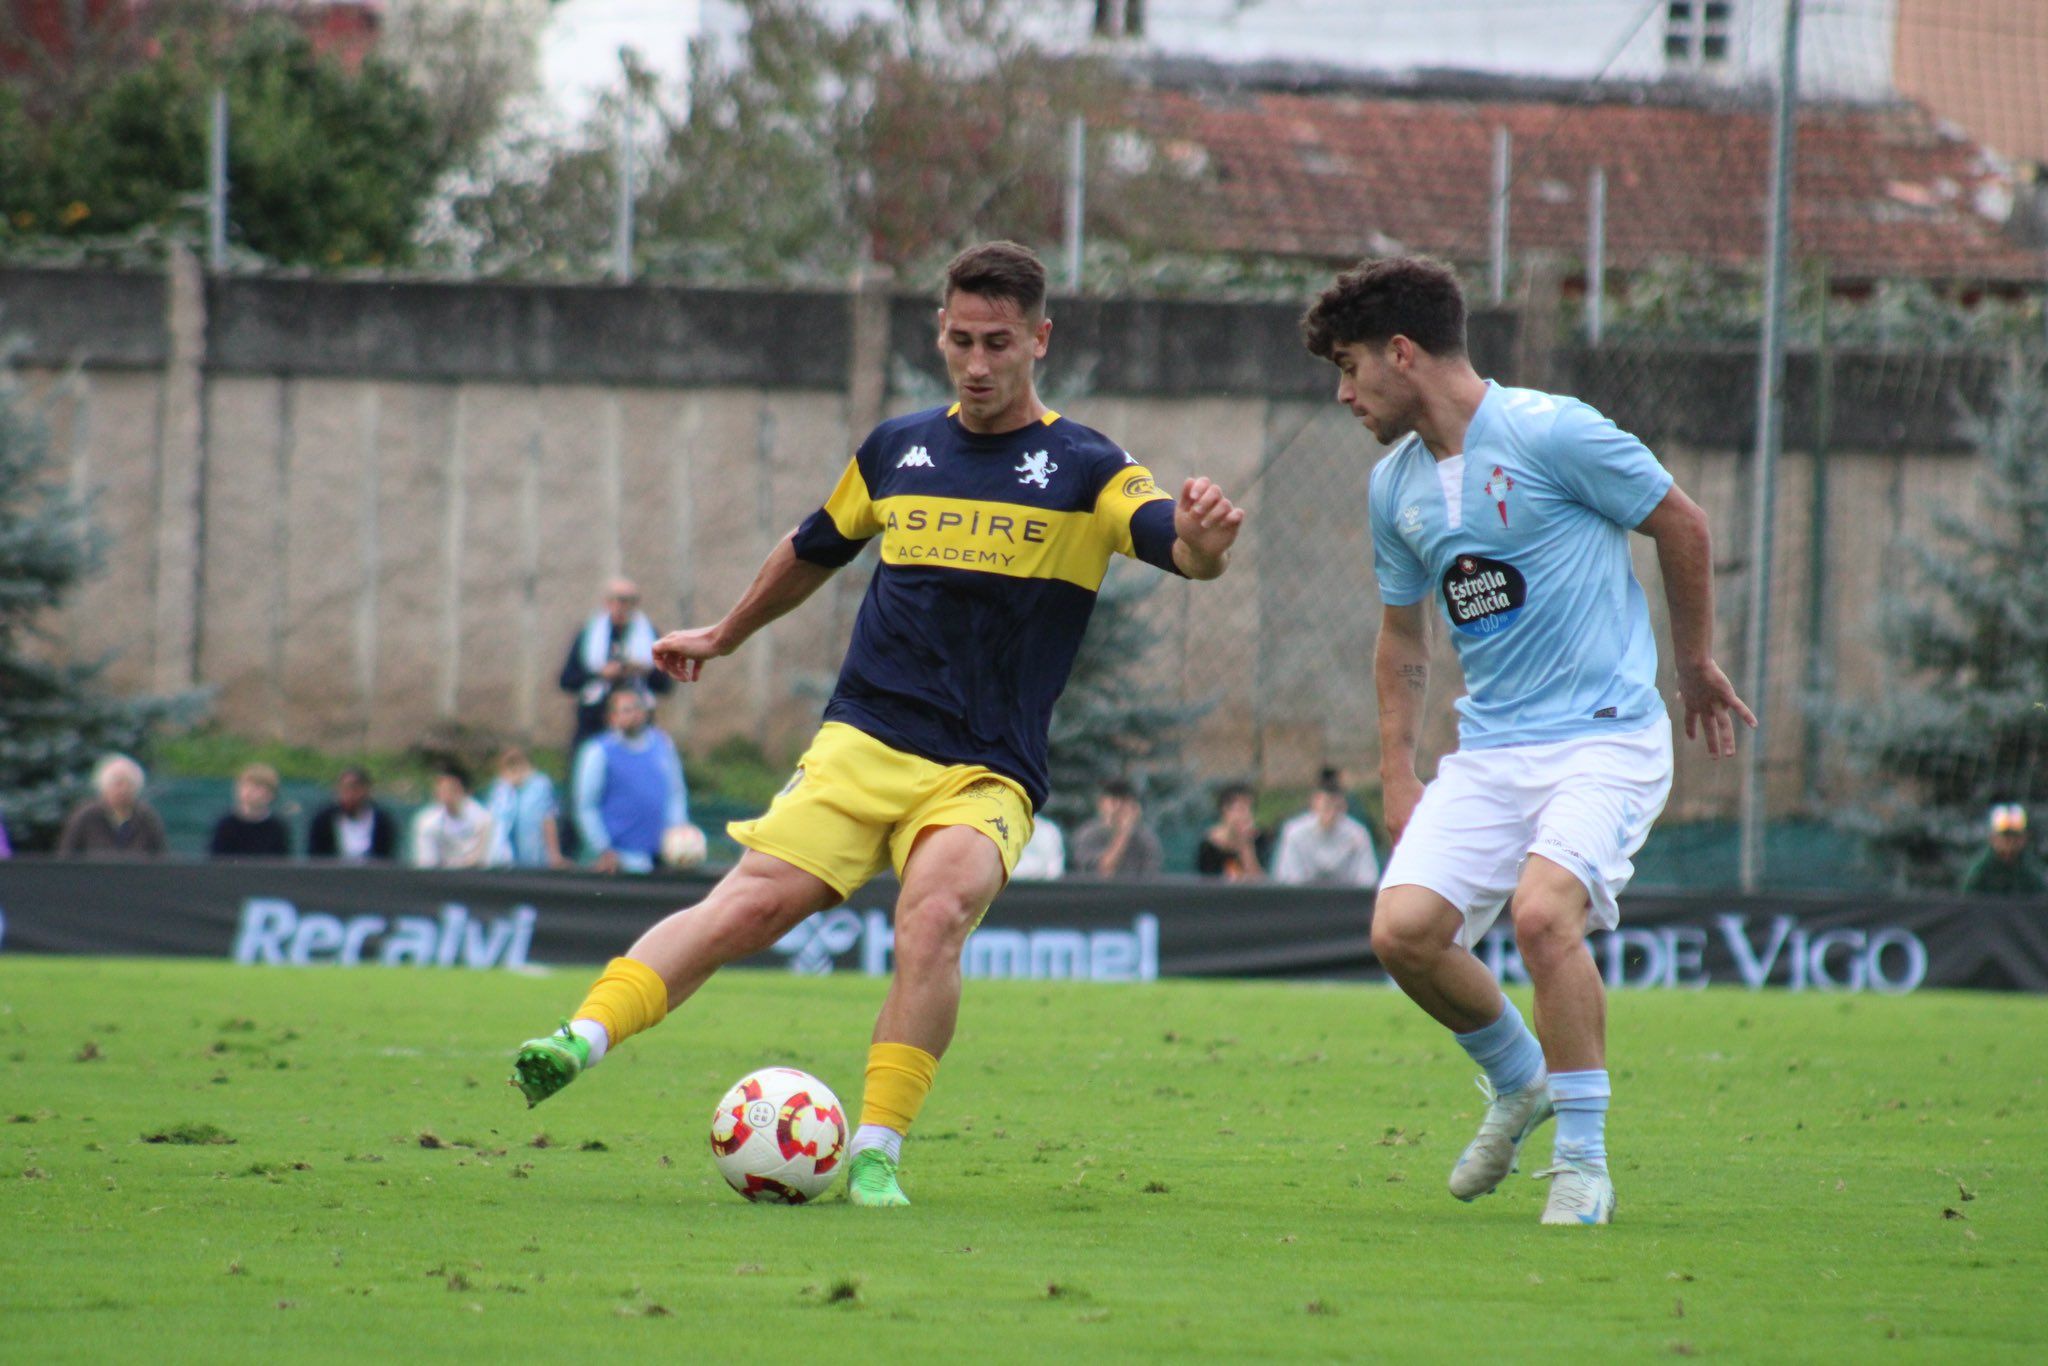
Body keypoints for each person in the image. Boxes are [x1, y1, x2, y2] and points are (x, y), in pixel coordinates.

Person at [508, 240, 1245, 1210]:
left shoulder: (1083, 467)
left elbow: (1173, 546)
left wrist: (1201, 538)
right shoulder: (897, 450)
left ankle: (876, 1150)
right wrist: (725, 633)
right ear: (939, 335)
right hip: (863, 739)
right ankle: (581, 1035)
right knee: (747, 905)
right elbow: (814, 545)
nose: (976, 363)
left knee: (931, 915)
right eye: (959, 340)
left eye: (997, 343)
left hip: (984, 767)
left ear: (1038, 340)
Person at [1302, 257, 1752, 1227]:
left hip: (1602, 740)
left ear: (1401, 352)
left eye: (1348, 368)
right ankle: (1518, 1080)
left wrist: (1692, 663)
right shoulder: (1394, 488)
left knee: (1544, 916)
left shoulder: (1551, 431)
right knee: (1401, 931)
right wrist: (1396, 769)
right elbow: (1400, 637)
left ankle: (1583, 1166)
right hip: (1493, 752)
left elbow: (1680, 521)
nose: (1342, 394)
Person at [572, 688, 692, 875]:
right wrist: (602, 848)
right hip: (619, 860)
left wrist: (678, 830)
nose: (633, 715)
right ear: (612, 717)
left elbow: (675, 792)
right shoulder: (598, 751)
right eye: (626, 710)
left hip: (662, 856)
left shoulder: (663, 744)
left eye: (637, 708)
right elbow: (586, 805)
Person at [559, 578, 674, 752]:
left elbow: (665, 685)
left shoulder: (649, 635)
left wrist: (642, 670)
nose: (621, 606)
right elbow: (567, 681)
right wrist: (600, 674)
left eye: (628, 601)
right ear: (606, 602)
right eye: (616, 599)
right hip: (594, 720)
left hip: (636, 721)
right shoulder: (588, 635)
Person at [1271, 775, 1378, 888]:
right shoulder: (1294, 833)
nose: (1331, 813)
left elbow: (1368, 880)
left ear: (1344, 806)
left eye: (1337, 807)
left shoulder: (1358, 835)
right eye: (1326, 806)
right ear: (1314, 804)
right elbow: (1287, 880)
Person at [57, 754, 168, 859]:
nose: (123, 790)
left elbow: (161, 857)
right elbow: (66, 856)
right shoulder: (85, 816)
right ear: (104, 787)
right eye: (117, 784)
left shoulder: (147, 818)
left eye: (129, 784)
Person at [486, 747, 566, 869]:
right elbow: (492, 822)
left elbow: (548, 820)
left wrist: (554, 854)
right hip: (503, 861)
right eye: (509, 764)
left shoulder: (540, 785)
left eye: (517, 762)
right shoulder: (499, 789)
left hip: (535, 858)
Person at [1071, 779, 1165, 879]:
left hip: (1135, 893)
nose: (1119, 806)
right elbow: (1101, 872)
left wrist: (1128, 828)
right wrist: (1123, 833)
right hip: (1095, 893)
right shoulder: (1088, 834)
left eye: (1124, 800)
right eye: (1113, 800)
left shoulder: (1146, 839)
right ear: (1101, 804)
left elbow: (1150, 879)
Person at [305, 767, 401, 862]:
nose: (349, 795)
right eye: (344, 789)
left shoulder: (382, 823)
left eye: (354, 789)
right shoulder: (323, 821)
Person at [412, 761, 494, 869]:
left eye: (452, 790)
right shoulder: (427, 822)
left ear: (467, 792)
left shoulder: (484, 819)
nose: (447, 794)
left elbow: (482, 861)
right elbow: (427, 864)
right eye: (442, 789)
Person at [208, 763, 292, 858]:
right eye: (245, 786)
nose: (248, 791)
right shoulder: (225, 825)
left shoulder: (277, 827)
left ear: (270, 794)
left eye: (256, 787)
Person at [1960, 803, 2047, 896]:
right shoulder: (1979, 872)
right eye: (2005, 836)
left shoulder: (2032, 870)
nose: (2010, 842)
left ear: (2024, 839)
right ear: (1993, 838)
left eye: (2015, 837)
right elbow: (1966, 903)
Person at [1196, 782, 1270, 880]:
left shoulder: (1258, 840)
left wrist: (1246, 847)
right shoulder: (1209, 846)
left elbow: (1261, 883)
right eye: (1241, 809)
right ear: (1225, 811)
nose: (1246, 815)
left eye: (1250, 809)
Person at [1010, 813, 1067, 880]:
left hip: (1043, 887)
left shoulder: (1048, 829)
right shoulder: (1004, 828)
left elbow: (1055, 867)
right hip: (1010, 886)